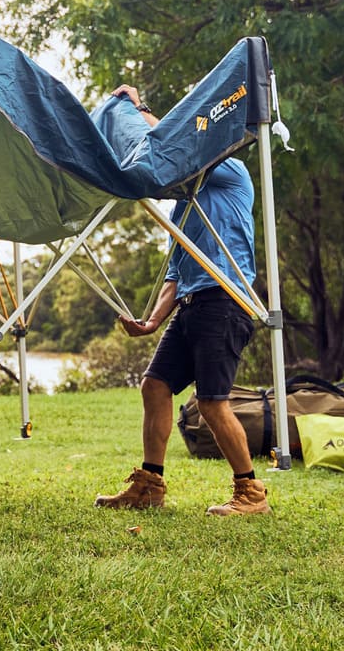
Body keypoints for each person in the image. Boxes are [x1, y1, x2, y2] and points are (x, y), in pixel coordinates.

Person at [94, 84, 270, 517]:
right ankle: (150, 486)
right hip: (193, 304)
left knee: (212, 401)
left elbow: (176, 146)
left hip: (225, 302)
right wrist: (153, 321)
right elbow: (177, 270)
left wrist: (139, 107)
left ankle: (251, 493)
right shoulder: (183, 210)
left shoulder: (230, 170)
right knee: (154, 386)